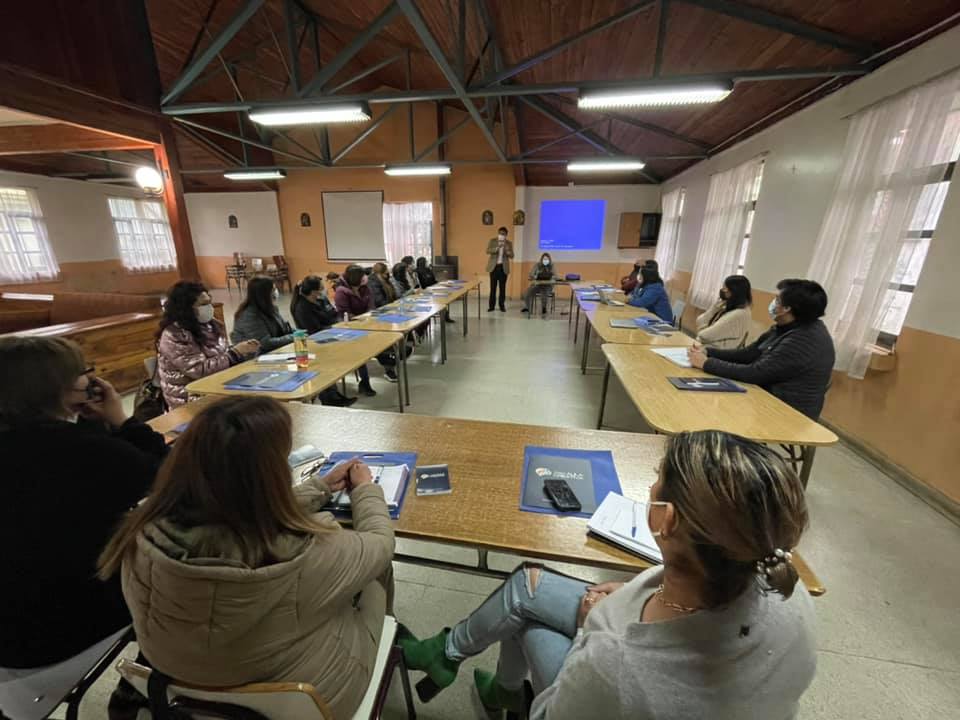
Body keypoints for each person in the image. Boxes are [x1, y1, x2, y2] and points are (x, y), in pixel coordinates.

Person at [398, 430, 815, 719]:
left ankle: (490, 682)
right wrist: (637, 590)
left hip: (607, 672)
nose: (650, 487)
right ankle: (456, 658)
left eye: (657, 478)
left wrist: (589, 628)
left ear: (666, 520)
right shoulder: (784, 586)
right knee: (528, 582)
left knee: (525, 616)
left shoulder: (617, 661)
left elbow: (550, 714)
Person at [98, 396, 395, 720]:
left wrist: (319, 488)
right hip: (304, 702)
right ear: (271, 475)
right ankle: (395, 638)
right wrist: (365, 490)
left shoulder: (140, 535)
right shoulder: (306, 553)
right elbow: (380, 543)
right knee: (376, 573)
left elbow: (237, 511)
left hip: (180, 692)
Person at [0, 336, 168, 669]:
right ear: (57, 387)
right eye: (82, 372)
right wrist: (122, 421)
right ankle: (144, 679)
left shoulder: (75, 445)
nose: (91, 378)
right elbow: (167, 474)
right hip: (62, 627)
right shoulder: (86, 452)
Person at [688, 279, 834, 420]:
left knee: (712, 407)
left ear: (787, 308)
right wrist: (709, 352)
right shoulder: (787, 327)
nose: (773, 303)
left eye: (777, 300)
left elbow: (755, 373)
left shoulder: (804, 340)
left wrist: (706, 363)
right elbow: (750, 353)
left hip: (787, 413)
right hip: (768, 396)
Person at [157, 281, 259, 408]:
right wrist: (235, 353)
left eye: (209, 302)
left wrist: (242, 350)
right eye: (203, 304)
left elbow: (220, 354)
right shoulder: (174, 335)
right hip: (189, 396)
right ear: (186, 308)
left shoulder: (212, 325)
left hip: (216, 385)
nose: (209, 307)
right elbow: (198, 370)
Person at [289, 276, 357, 407]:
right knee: (324, 369)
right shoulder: (302, 307)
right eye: (321, 287)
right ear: (314, 291)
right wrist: (334, 327)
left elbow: (333, 314)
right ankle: (329, 398)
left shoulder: (320, 300)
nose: (324, 289)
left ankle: (334, 394)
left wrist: (337, 324)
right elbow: (313, 330)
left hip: (330, 336)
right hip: (316, 342)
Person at [335, 264, 395, 389]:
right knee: (361, 347)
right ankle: (365, 381)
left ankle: (390, 363)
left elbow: (371, 305)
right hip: (351, 326)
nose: (365, 278)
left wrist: (368, 316)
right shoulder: (341, 292)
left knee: (383, 335)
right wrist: (360, 320)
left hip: (367, 322)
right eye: (362, 276)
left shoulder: (365, 288)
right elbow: (344, 313)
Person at [231, 276, 295, 353]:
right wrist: (294, 337)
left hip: (275, 351)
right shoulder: (249, 315)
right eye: (273, 290)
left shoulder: (271, 308)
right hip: (255, 356)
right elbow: (265, 343)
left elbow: (285, 329)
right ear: (264, 294)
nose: (276, 292)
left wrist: (300, 333)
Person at [695, 275, 754, 349]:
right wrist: (714, 309)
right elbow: (699, 321)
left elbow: (704, 336)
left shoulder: (738, 314)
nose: (722, 291)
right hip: (707, 348)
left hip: (713, 352)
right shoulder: (730, 307)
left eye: (725, 289)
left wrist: (702, 330)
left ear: (734, 292)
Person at [485, 226, 514, 312]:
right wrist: (497, 248)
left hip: (503, 268)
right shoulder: (493, 241)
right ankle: (491, 306)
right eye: (500, 233)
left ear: (506, 235)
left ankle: (502, 306)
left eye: (503, 234)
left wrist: (507, 250)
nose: (501, 235)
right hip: (493, 268)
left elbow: (512, 256)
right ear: (498, 233)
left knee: (502, 288)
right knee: (493, 288)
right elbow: (487, 251)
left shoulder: (509, 243)